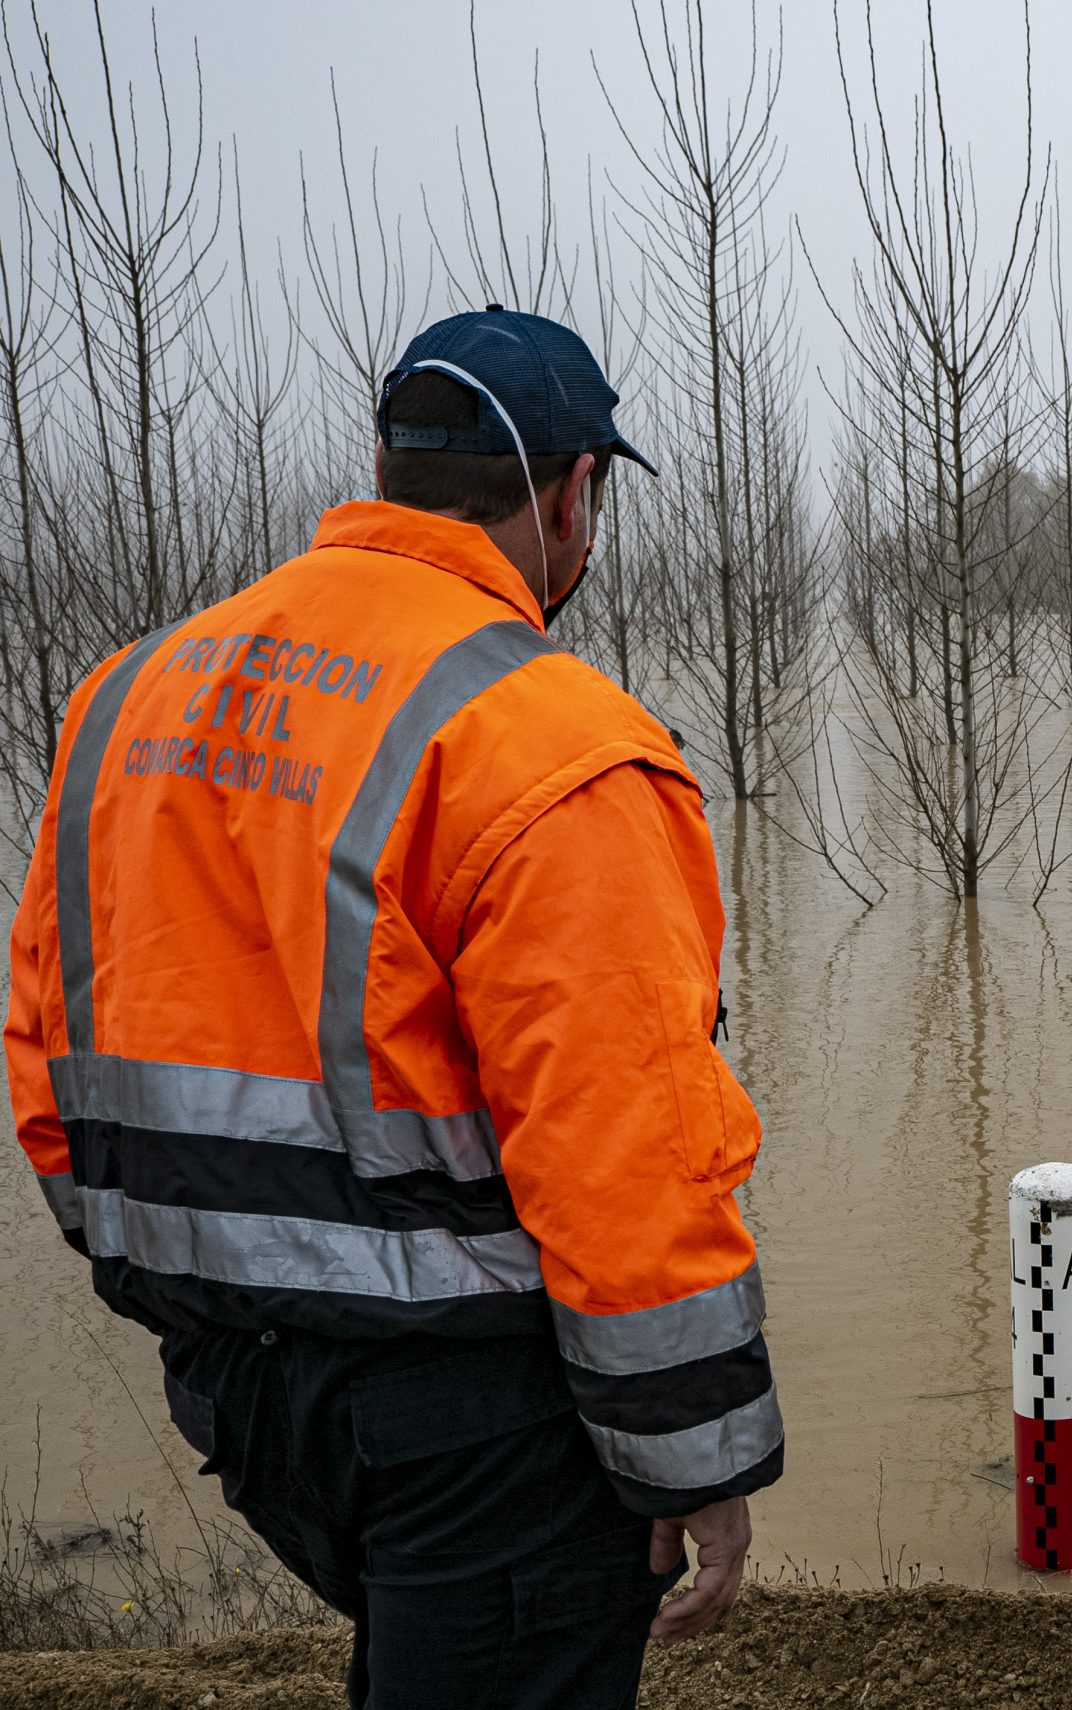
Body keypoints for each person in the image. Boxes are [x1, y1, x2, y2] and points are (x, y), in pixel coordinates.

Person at [7, 307, 782, 1709]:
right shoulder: (559, 743)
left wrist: (202, 1280)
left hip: (235, 1387)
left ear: (386, 468)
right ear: (570, 496)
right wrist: (696, 1457)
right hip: (475, 1422)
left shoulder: (125, 696)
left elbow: (46, 1050)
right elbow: (620, 1146)